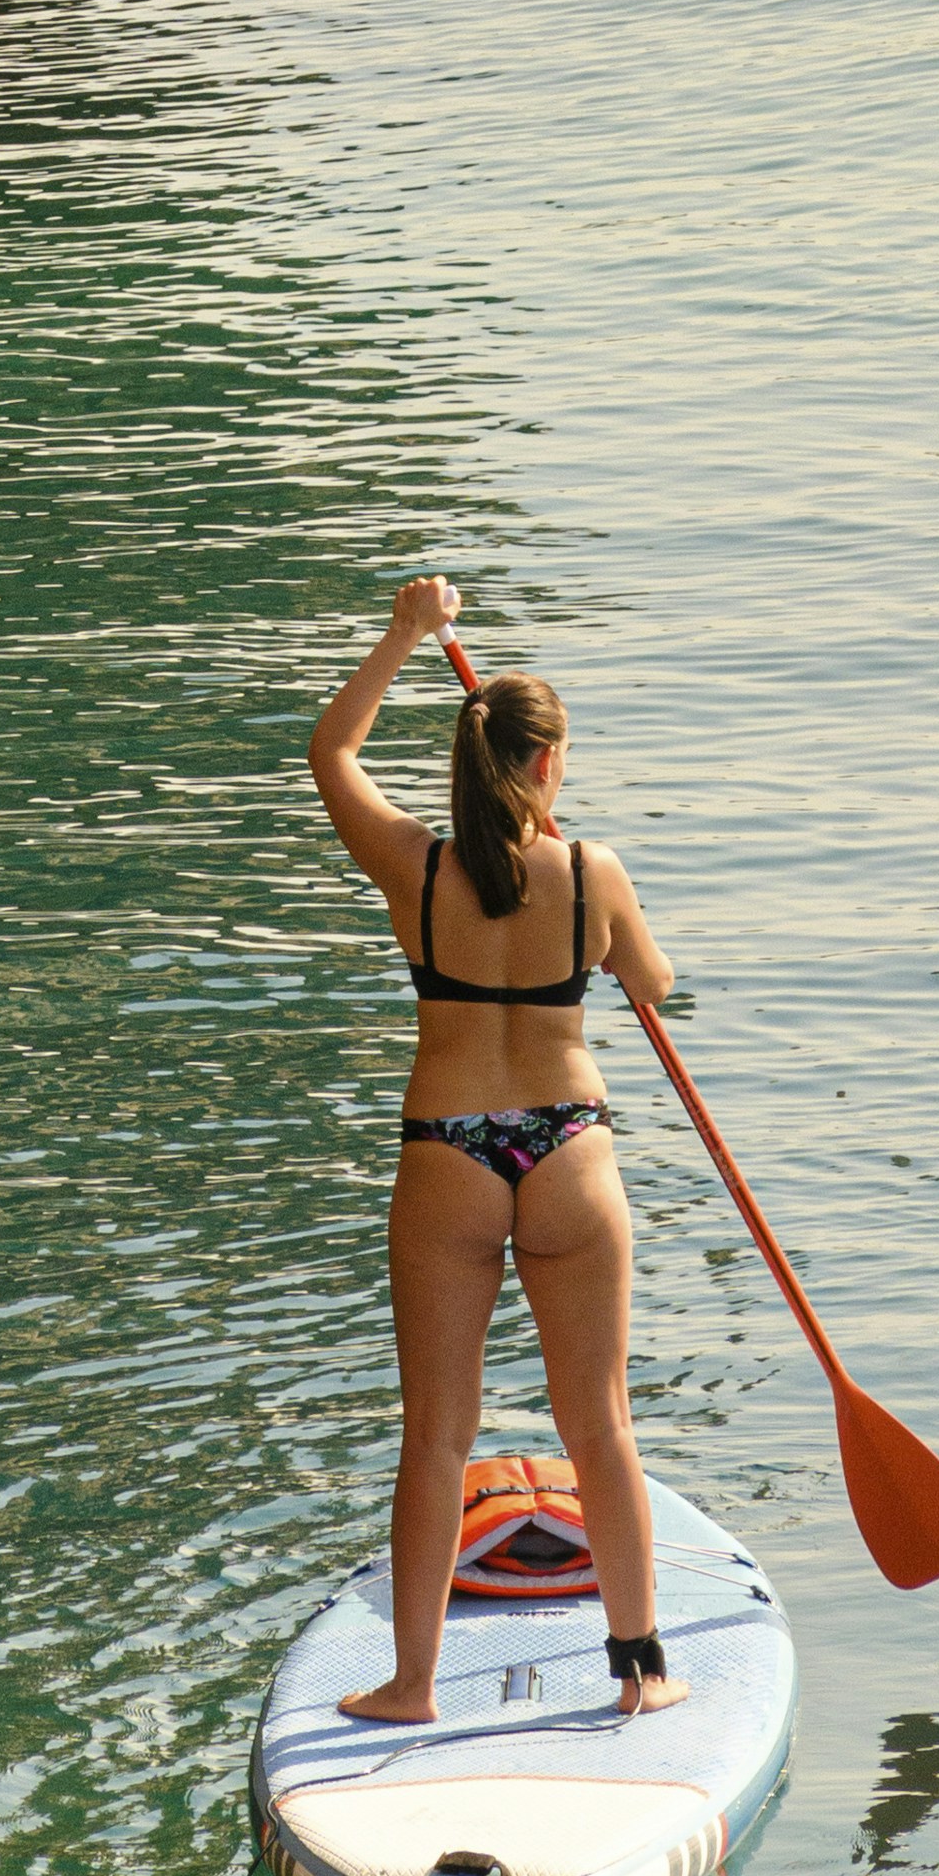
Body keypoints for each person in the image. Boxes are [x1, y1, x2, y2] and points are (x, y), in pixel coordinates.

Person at [304, 565, 683, 1723]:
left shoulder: (414, 868)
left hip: (447, 1151)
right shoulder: (593, 872)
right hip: (569, 1147)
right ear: (550, 764)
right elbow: (661, 987)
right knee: (600, 1423)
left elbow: (332, 756)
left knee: (438, 1433)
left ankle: (414, 1683)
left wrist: (405, 635)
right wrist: (617, 950)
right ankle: (643, 1675)